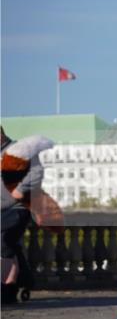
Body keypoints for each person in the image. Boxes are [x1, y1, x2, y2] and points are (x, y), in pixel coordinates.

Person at [1, 129, 62, 303]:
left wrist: (20, 191)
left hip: (18, 207)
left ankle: (7, 285)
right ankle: (18, 282)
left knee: (4, 243)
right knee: (10, 245)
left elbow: (36, 172)